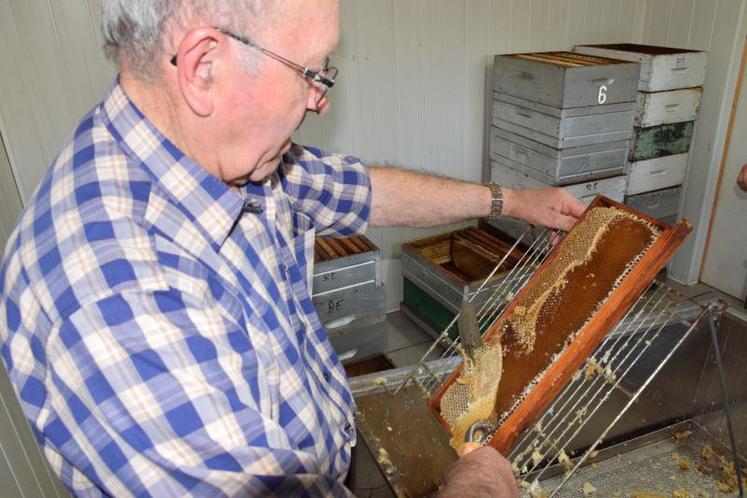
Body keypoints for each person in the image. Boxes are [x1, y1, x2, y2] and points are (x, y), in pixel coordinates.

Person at [0, 1, 583, 496]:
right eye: (310, 71)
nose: (320, 99)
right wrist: (477, 484)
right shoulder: (118, 304)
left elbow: (364, 191)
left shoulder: (223, 156)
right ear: (204, 67)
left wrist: (513, 200)